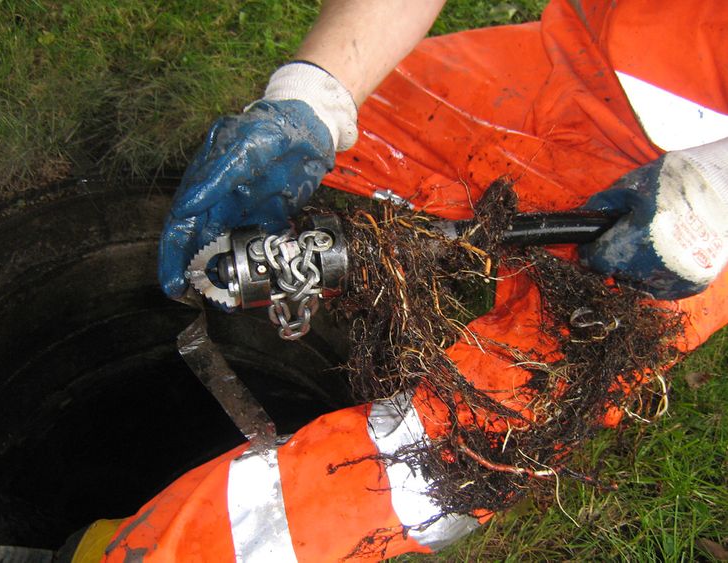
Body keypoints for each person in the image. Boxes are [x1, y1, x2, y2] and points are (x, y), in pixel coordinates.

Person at [86, 1, 728, 561]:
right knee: (332, 158)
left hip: (701, 214)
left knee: (455, 451)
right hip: (574, 70)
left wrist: (717, 188)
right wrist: (308, 100)